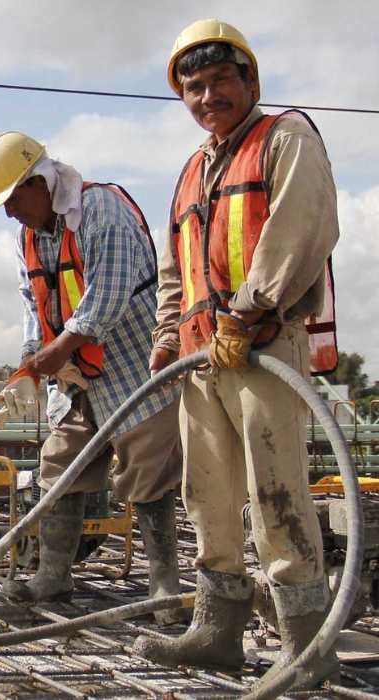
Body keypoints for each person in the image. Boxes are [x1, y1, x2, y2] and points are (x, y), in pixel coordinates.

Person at [135, 20, 340, 691]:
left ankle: (306, 650)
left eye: (221, 80)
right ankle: (218, 633)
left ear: (249, 80)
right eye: (193, 87)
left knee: (275, 493)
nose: (207, 96)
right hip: (200, 359)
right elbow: (178, 265)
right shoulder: (194, 170)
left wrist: (250, 308)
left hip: (262, 344)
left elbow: (299, 225)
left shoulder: (285, 140)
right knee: (208, 496)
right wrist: (169, 333)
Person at [0, 131, 184, 624]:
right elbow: (35, 302)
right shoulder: (30, 235)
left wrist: (56, 351)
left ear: (39, 182)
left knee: (148, 474)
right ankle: (53, 575)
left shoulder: (100, 212)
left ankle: (164, 588)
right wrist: (32, 355)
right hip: (76, 374)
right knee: (60, 466)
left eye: (12, 199)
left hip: (132, 365)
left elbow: (107, 297)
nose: (9, 213)